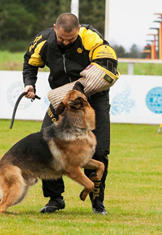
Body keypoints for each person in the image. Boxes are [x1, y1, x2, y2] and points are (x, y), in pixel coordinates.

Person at [22, 13, 118, 215]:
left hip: (93, 98)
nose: (65, 42)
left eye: (71, 39)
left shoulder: (91, 37)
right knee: (47, 145)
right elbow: (30, 62)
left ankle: (97, 201)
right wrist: (29, 84)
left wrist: (80, 87)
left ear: (78, 30)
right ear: (54, 27)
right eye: (61, 38)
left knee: (99, 150)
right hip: (63, 100)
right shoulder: (43, 41)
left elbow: (108, 64)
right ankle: (55, 199)